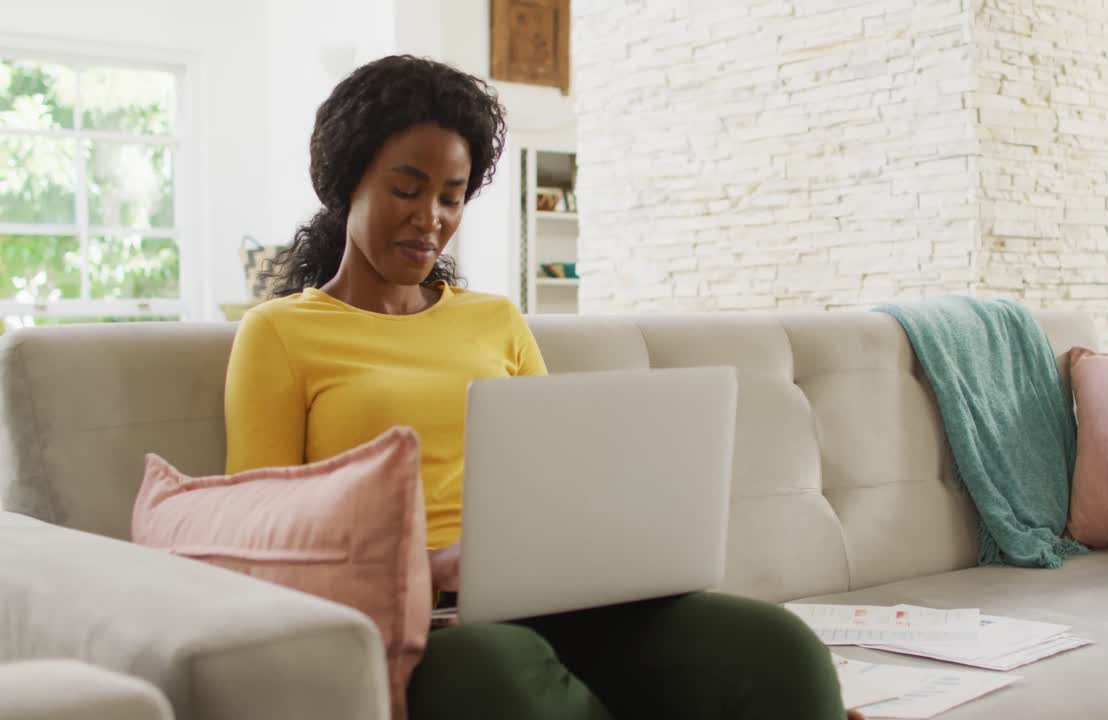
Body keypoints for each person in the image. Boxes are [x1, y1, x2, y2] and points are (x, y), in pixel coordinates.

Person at [223, 54, 860, 720]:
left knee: (777, 648)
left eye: (451, 195)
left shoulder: (496, 320)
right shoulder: (280, 332)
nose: (431, 218)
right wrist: (431, 565)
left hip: (555, 597)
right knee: (507, 674)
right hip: (424, 623)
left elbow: (556, 483)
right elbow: (264, 536)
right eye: (406, 190)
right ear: (347, 181)